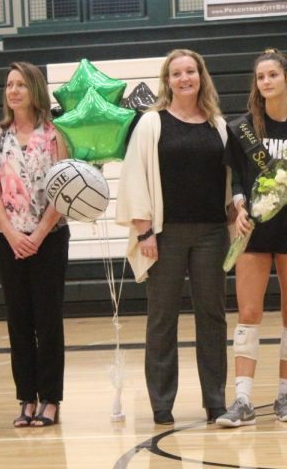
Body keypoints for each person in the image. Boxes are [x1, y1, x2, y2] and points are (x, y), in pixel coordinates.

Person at [116, 49, 231, 426]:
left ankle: (215, 400)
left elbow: (229, 182)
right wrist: (144, 230)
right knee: (162, 319)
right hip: (165, 235)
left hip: (213, 234)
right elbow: (135, 176)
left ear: (201, 76)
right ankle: (161, 404)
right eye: (177, 73)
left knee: (212, 317)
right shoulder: (152, 123)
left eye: (190, 71)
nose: (184, 78)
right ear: (168, 81)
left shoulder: (218, 124)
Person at [216, 50, 287, 428]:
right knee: (249, 313)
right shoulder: (244, 127)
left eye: (273, 76)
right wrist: (237, 207)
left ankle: (284, 396)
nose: (266, 82)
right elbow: (235, 179)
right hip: (255, 230)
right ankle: (243, 399)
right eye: (261, 77)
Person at [0, 62, 70, 428]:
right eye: (9, 85)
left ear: (35, 89)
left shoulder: (55, 134)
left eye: (20, 84)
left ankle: (51, 399)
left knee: (47, 319)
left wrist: (36, 234)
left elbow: (64, 185)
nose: (13, 90)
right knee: (18, 320)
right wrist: (13, 233)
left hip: (48, 238)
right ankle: (27, 399)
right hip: (8, 240)